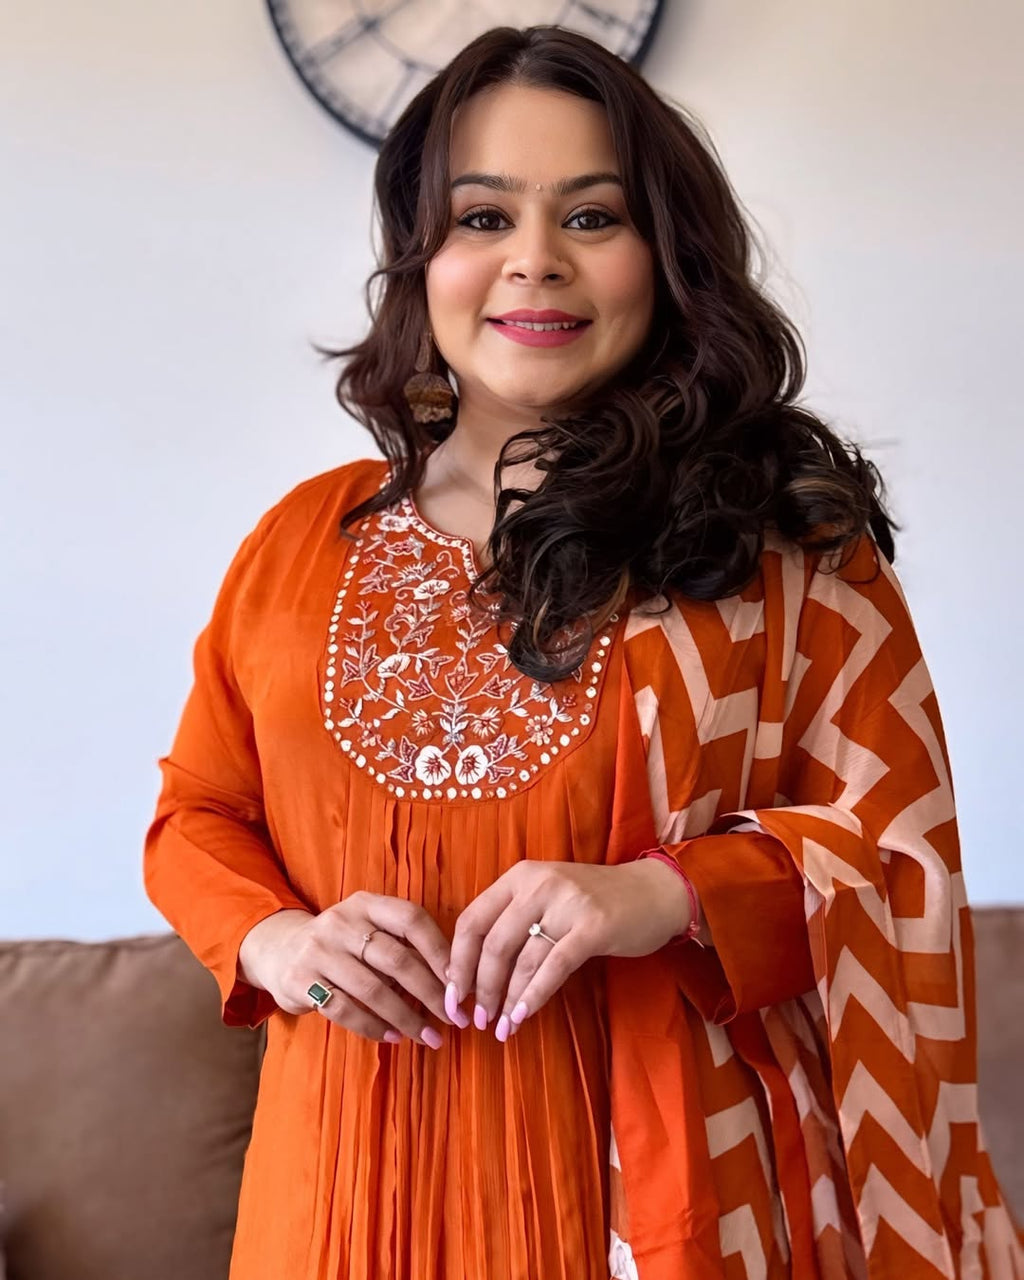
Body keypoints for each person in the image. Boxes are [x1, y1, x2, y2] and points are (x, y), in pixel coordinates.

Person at [143, 24, 1022, 1280]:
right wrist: (278, 941)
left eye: (593, 217)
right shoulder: (300, 545)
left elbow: (895, 854)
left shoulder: (782, 551)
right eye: (482, 217)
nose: (534, 263)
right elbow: (195, 815)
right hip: (331, 1193)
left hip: (656, 1208)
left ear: (666, 256)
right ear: (420, 257)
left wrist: (662, 891)